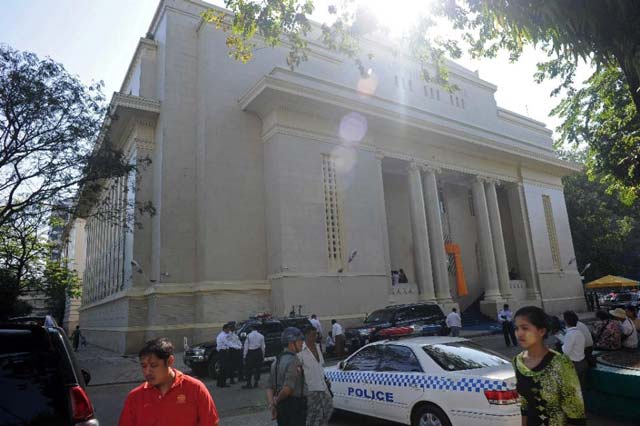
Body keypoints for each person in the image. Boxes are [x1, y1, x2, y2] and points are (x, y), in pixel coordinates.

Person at [118, 338, 219, 426]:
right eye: (144, 366)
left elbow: (210, 423)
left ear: (170, 361)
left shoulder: (196, 389)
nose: (147, 371)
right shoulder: (135, 397)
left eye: (153, 365)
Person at [513, 306, 586, 426]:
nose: (519, 333)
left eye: (525, 328)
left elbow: (575, 410)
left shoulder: (560, 362)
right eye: (516, 328)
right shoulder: (517, 362)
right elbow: (524, 405)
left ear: (541, 331)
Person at [267, 327, 307, 426]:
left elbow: (269, 387)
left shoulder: (276, 361)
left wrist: (273, 404)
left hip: (281, 408)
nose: (302, 343)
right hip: (295, 408)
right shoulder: (294, 361)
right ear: (291, 343)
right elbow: (287, 389)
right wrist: (277, 401)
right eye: (299, 340)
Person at [299, 326, 333, 426]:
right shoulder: (301, 351)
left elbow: (320, 365)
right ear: (306, 336)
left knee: (328, 408)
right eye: (312, 335)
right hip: (311, 388)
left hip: (323, 385)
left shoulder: (318, 347)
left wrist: (326, 379)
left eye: (316, 334)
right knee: (313, 414)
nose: (315, 337)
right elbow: (299, 371)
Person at [562, 311, 588, 389]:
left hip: (574, 364)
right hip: (582, 362)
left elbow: (565, 351)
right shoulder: (579, 332)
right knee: (580, 387)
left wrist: (562, 345)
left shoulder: (570, 334)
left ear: (566, 322)